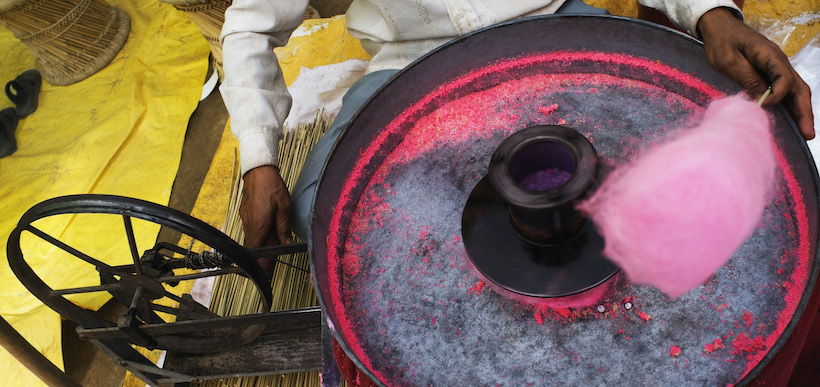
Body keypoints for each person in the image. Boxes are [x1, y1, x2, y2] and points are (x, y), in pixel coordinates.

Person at [220, 0, 814, 255]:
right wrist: (259, 158)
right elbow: (249, 26)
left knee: (699, 141)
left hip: (553, 21)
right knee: (325, 212)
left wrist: (709, 13)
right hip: (412, 61)